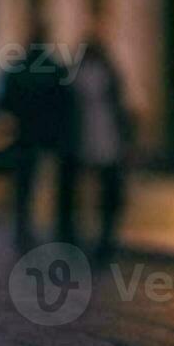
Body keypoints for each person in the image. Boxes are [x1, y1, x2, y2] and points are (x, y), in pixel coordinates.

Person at [0, 24, 77, 251]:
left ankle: (23, 229)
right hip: (50, 134)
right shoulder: (53, 68)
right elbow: (66, 101)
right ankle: (62, 230)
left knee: (25, 185)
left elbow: (5, 101)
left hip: (26, 134)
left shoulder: (20, 68)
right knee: (57, 184)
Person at [71, 36, 131, 259]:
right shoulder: (103, 74)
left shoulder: (81, 75)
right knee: (98, 194)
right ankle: (99, 238)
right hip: (96, 139)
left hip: (100, 140)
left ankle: (101, 238)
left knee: (102, 193)